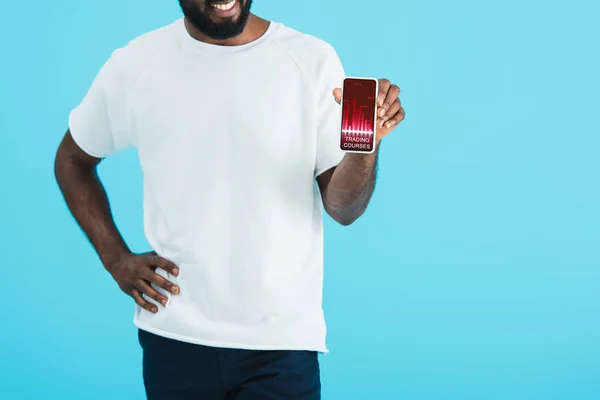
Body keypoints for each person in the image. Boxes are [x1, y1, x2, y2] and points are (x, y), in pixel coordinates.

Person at [54, 0, 405, 398]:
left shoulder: (311, 60)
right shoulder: (138, 64)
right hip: (174, 336)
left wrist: (364, 150)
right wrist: (115, 259)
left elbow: (344, 208)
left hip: (280, 344)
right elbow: (72, 159)